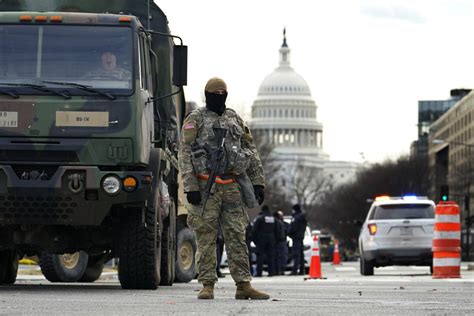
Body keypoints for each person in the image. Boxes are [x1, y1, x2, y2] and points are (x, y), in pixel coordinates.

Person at [178, 77, 269, 300]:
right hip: (205, 185)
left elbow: (251, 150)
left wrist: (258, 181)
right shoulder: (196, 119)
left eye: (223, 92)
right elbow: (185, 154)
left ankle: (243, 285)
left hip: (232, 186)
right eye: (215, 92)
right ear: (207, 94)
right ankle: (207, 284)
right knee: (206, 237)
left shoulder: (234, 118)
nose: (220, 95)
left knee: (237, 236)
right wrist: (190, 186)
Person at [252, 205, 276, 277]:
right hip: (271, 239)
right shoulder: (273, 218)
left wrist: (254, 240)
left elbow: (254, 230)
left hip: (261, 239)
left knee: (260, 256)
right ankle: (271, 272)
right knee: (270, 256)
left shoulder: (260, 218)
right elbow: (277, 229)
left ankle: (259, 273)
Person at [288, 204, 307, 275]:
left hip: (296, 238)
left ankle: (294, 270)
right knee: (301, 255)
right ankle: (302, 270)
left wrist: (289, 233)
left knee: (296, 255)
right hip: (301, 237)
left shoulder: (296, 218)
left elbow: (292, 227)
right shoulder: (303, 217)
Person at [273, 211, 288, 275]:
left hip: (279, 242)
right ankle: (281, 270)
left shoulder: (277, 222)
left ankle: (279, 270)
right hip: (282, 241)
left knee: (278, 256)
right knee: (282, 256)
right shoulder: (282, 223)